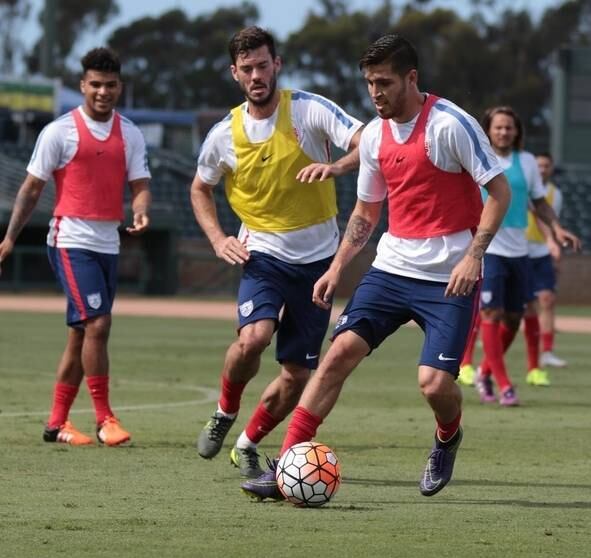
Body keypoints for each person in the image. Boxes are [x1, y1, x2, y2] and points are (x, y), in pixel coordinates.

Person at [241, 33, 511, 501]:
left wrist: (473, 256)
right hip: (390, 268)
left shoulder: (450, 125)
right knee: (336, 357)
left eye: (383, 82)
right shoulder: (375, 136)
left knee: (434, 386)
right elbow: (367, 212)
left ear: (411, 78)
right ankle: (286, 468)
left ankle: (447, 435)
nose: (375, 93)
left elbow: (499, 192)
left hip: (449, 276)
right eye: (369, 83)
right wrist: (337, 268)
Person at [190, 26, 363, 478]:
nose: (256, 74)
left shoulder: (308, 110)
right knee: (253, 338)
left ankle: (246, 443)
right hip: (261, 254)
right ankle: (225, 411)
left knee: (296, 376)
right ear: (235, 73)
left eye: (262, 65)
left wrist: (336, 166)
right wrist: (217, 239)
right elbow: (200, 189)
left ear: (277, 65)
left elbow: (366, 143)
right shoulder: (223, 134)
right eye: (246, 68)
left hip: (318, 262)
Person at [0, 47, 151, 446]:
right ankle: (105, 420)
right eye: (96, 84)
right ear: (83, 86)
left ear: (120, 87)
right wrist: (10, 238)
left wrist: (141, 210)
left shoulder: (130, 133)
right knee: (98, 324)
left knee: (81, 335)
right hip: (69, 239)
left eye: (111, 85)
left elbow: (140, 185)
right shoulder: (59, 131)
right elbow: (32, 188)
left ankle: (56, 423)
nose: (103, 91)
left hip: (108, 242)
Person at [474, 107, 580, 405]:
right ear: (489, 130)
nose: (504, 132)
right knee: (491, 313)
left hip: (518, 250)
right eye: (498, 127)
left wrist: (557, 229)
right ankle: (504, 384)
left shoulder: (528, 162)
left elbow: (538, 203)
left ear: (517, 131)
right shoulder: (478, 156)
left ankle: (484, 372)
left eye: (509, 127)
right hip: (488, 248)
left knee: (514, 317)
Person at [524, 153, 566, 368]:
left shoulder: (555, 194)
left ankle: (547, 352)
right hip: (518, 251)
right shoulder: (522, 187)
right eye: (538, 165)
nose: (542, 169)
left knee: (548, 300)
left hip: (541, 252)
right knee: (506, 308)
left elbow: (550, 222)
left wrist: (553, 247)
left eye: (546, 166)